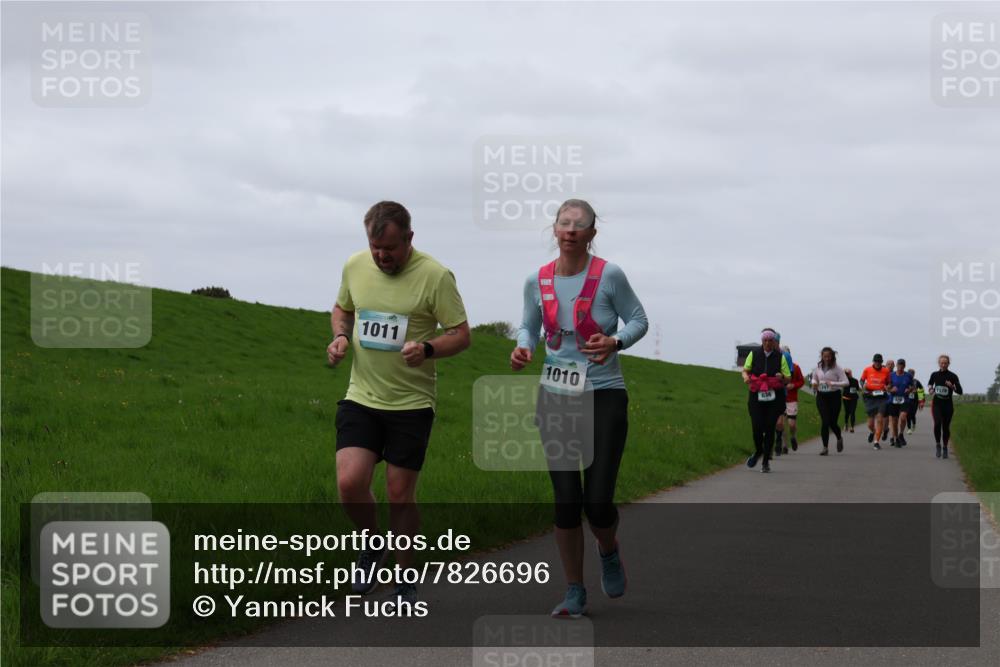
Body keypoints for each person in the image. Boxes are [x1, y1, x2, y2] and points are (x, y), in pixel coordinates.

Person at [328, 201, 471, 605]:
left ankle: (404, 579)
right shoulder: (355, 266)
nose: (381, 256)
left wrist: (427, 348)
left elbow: (461, 334)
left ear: (409, 238)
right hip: (362, 396)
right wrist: (341, 335)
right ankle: (372, 544)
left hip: (411, 402)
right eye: (375, 248)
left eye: (389, 248)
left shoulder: (435, 276)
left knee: (398, 493)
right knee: (349, 482)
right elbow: (343, 307)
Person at [511, 199, 648, 618]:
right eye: (564, 223)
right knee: (567, 500)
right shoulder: (537, 280)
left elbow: (638, 319)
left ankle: (608, 549)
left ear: (591, 234)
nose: (571, 229)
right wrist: (523, 347)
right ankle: (574, 589)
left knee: (599, 502)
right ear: (554, 230)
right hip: (556, 393)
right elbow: (529, 325)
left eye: (580, 225)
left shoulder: (610, 275)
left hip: (604, 392)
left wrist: (615, 341)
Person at [742, 328, 791, 473]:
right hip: (757, 395)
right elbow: (745, 369)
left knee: (770, 428)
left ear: (774, 341)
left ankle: (765, 462)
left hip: (774, 397)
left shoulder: (780, 356)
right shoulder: (754, 353)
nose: (768, 343)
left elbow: (788, 377)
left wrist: (781, 377)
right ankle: (758, 451)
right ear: (762, 341)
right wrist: (745, 377)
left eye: (771, 340)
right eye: (765, 340)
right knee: (757, 427)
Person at [810, 347, 848, 455]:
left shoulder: (838, 369)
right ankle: (825, 448)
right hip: (821, 396)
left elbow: (846, 382)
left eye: (829, 356)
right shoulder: (818, 367)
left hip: (834, 396)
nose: (826, 358)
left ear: (832, 357)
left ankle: (839, 438)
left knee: (832, 422)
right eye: (824, 356)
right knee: (825, 421)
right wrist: (814, 383)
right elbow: (814, 378)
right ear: (821, 356)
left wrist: (834, 383)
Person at [928, 355, 964, 459]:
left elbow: (960, 391)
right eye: (941, 363)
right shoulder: (934, 374)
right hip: (937, 403)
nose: (943, 364)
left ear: (948, 364)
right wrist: (931, 390)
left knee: (945, 427)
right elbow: (930, 384)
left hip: (948, 404)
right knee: (937, 423)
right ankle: (938, 445)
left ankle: (945, 447)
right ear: (938, 363)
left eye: (945, 363)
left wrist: (952, 386)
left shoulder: (953, 376)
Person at [859, 354, 891, 450]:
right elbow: (861, 380)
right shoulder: (867, 370)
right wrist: (863, 386)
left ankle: (876, 441)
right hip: (870, 396)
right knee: (870, 424)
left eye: (879, 362)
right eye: (876, 361)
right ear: (873, 361)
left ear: (881, 362)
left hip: (881, 397)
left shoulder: (886, 371)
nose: (877, 363)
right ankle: (873, 432)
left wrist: (888, 387)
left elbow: (889, 382)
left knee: (880, 419)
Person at [776, 352, 804, 454]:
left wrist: (793, 385)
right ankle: (784, 445)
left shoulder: (796, 367)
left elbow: (801, 381)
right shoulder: (777, 367)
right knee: (780, 423)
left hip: (792, 399)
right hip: (780, 399)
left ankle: (793, 436)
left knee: (791, 424)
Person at [887, 359, 916, 447]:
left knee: (903, 417)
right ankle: (896, 439)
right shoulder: (891, 375)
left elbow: (913, 387)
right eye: (899, 365)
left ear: (904, 366)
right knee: (894, 421)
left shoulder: (908, 376)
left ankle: (901, 433)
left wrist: (909, 390)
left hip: (905, 400)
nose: (900, 366)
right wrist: (891, 390)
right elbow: (886, 387)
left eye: (902, 365)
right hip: (893, 400)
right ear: (896, 365)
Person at [906, 369, 924, 434]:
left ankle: (914, 424)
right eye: (909, 373)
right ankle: (909, 428)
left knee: (912, 414)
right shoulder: (905, 380)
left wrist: (921, 401)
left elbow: (921, 390)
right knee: (907, 414)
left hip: (915, 400)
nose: (911, 375)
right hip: (907, 400)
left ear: (914, 374)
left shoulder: (916, 382)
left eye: (912, 374)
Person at [842, 368, 861, 433]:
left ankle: (852, 427)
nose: (847, 375)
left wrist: (858, 390)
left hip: (853, 399)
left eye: (848, 373)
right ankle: (846, 423)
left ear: (851, 373)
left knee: (852, 412)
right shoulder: (844, 381)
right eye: (846, 374)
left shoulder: (855, 381)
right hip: (846, 398)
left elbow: (858, 389)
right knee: (847, 412)